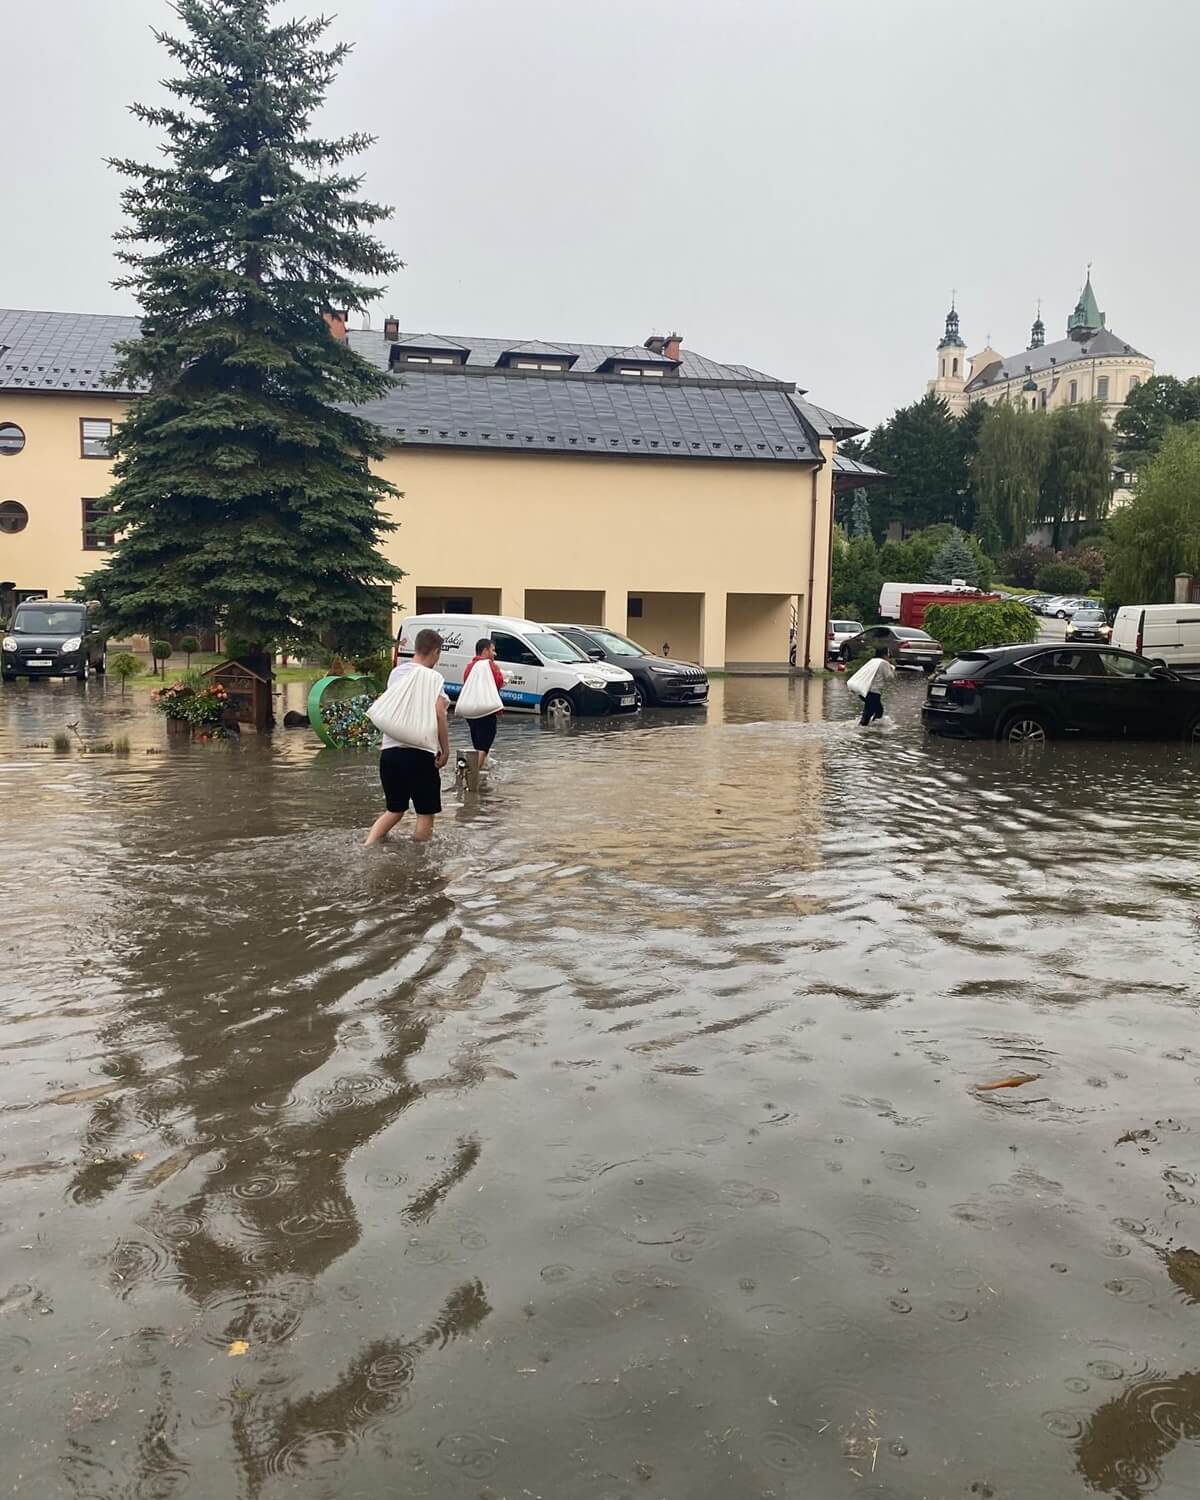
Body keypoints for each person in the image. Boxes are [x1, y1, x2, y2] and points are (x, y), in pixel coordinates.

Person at [365, 629, 449, 845]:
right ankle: (418, 861)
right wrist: (445, 750)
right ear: (436, 652)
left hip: (390, 753)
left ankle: (368, 845)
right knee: (425, 812)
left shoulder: (397, 673)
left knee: (394, 810)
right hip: (420, 755)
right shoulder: (434, 678)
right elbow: (439, 713)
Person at [461, 637, 505, 769]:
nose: (495, 654)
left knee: (477, 744)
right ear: (485, 651)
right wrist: (503, 677)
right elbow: (498, 682)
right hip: (486, 711)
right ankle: (472, 776)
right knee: (484, 747)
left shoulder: (469, 667)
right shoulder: (490, 666)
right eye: (493, 650)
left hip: (470, 712)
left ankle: (480, 772)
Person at [859, 646, 895, 727]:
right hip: (874, 692)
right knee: (870, 712)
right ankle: (864, 730)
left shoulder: (873, 661)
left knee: (878, 710)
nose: (889, 655)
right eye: (888, 653)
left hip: (864, 690)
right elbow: (889, 677)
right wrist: (891, 668)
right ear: (885, 654)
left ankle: (873, 727)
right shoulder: (883, 663)